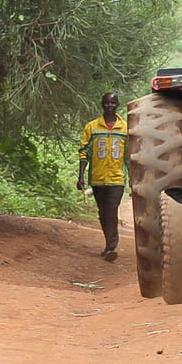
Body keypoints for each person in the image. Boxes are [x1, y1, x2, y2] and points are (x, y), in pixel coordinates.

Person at [78, 91, 128, 261]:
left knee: (111, 209)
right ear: (102, 104)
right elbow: (84, 152)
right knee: (103, 212)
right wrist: (81, 176)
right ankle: (108, 244)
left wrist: (136, 179)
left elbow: (129, 156)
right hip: (97, 179)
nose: (109, 106)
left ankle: (112, 245)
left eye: (113, 103)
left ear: (117, 105)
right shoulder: (92, 127)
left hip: (117, 178)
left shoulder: (125, 128)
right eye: (106, 103)